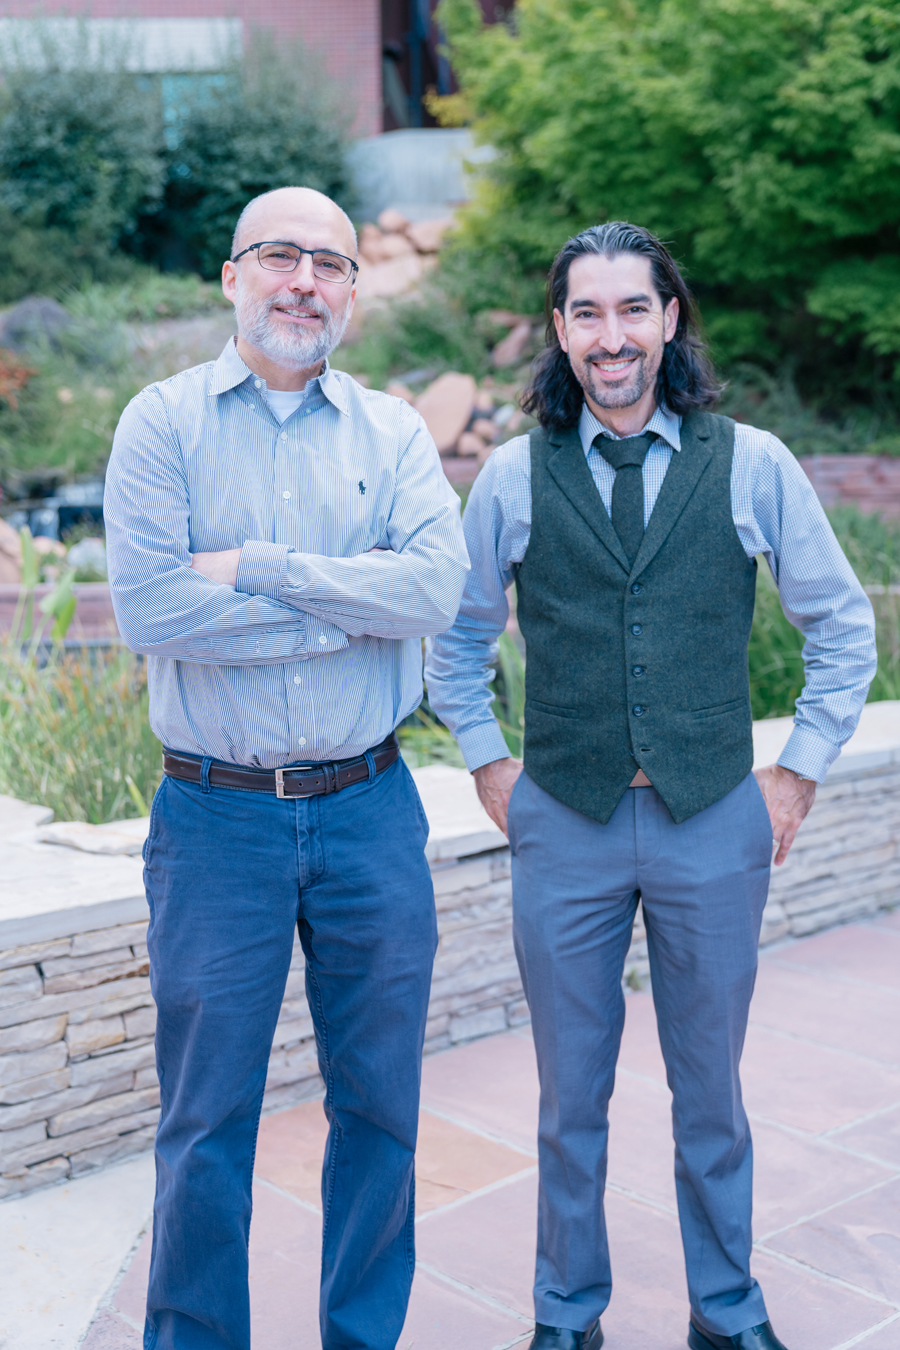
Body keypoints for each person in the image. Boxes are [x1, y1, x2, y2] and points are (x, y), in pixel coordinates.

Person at [425, 221, 876, 1350]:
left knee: (710, 1100)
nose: (611, 335)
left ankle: (727, 1312)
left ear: (669, 319)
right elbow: (457, 638)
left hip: (714, 819)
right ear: (561, 331)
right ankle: (565, 1317)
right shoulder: (516, 476)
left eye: (633, 309)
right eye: (587, 313)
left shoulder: (753, 461)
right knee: (569, 1102)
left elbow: (843, 627)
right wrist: (489, 761)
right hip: (564, 824)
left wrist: (796, 776)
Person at [104, 186, 469, 1350]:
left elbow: (433, 594)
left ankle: (362, 1337)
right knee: (207, 1117)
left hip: (369, 810)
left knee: (380, 1108)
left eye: (330, 261)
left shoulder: (396, 431)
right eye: (279, 255)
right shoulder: (160, 423)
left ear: (356, 291)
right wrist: (344, 605)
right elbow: (155, 611)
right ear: (232, 275)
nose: (303, 279)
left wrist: (256, 569)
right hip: (216, 821)